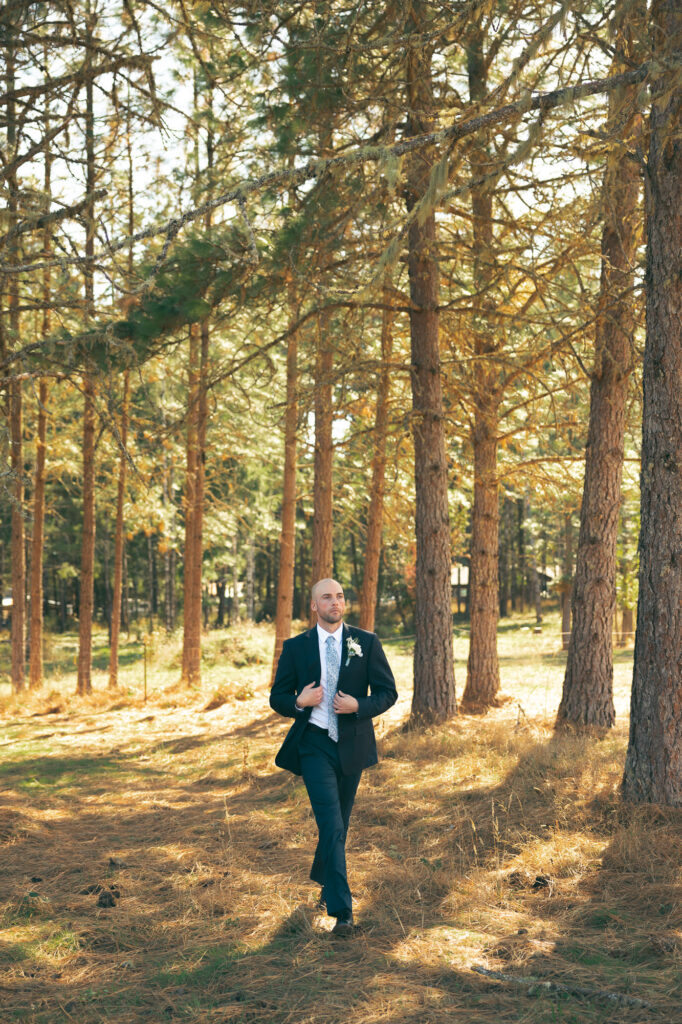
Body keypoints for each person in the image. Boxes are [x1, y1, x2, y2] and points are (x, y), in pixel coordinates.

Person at [270, 578, 397, 936]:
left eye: (340, 596)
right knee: (332, 823)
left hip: (352, 745)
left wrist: (360, 705)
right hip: (313, 744)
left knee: (339, 821)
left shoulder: (366, 642)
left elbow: (389, 693)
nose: (335, 602)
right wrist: (299, 702)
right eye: (327, 597)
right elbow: (277, 697)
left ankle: (326, 887)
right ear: (314, 606)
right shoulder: (296, 647)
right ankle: (343, 913)